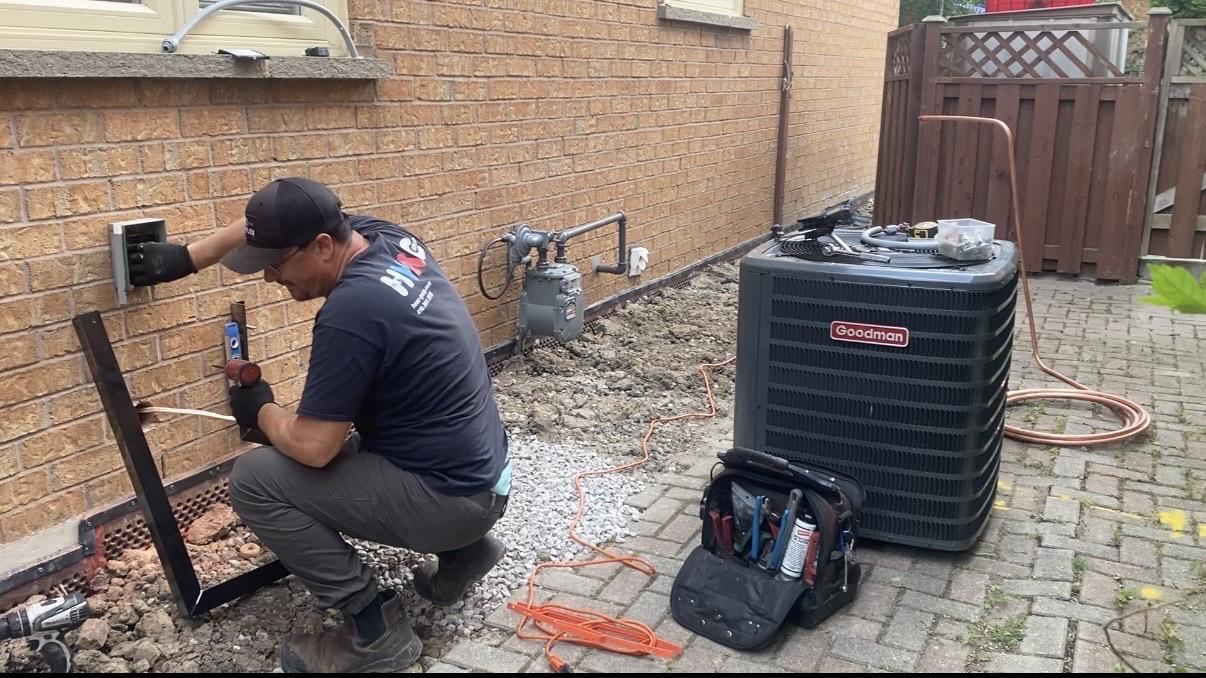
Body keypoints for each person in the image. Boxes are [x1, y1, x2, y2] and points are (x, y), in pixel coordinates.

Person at [128, 177, 512, 673]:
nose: (269, 277)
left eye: (276, 264)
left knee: (256, 480)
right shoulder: (387, 240)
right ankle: (466, 554)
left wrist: (260, 410)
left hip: (449, 499)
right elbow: (278, 221)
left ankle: (375, 628)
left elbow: (315, 448)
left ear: (324, 246)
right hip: (486, 477)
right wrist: (188, 257)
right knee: (355, 443)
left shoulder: (350, 313)